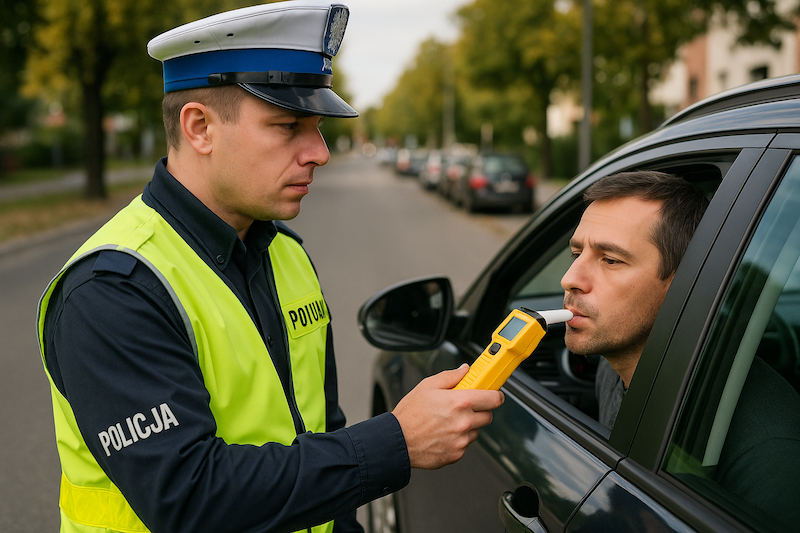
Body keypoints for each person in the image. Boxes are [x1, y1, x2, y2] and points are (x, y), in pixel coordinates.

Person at [35, 3, 504, 532]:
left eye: (318, 128)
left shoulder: (286, 252)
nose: (319, 152)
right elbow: (189, 499)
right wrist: (396, 441)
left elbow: (321, 431)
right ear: (200, 128)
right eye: (288, 126)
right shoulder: (112, 289)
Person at [560, 170, 709, 429]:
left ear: (683, 281)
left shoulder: (751, 442)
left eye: (611, 260)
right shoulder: (611, 368)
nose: (569, 279)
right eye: (577, 254)